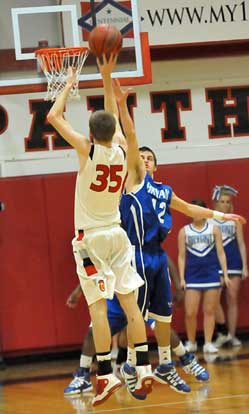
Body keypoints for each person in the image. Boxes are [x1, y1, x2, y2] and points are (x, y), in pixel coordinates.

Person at [113, 78, 245, 391]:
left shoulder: (164, 191)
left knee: (162, 317)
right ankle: (134, 363)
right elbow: (129, 136)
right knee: (137, 315)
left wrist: (219, 214)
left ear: (156, 166)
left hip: (157, 255)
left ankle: (165, 365)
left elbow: (189, 209)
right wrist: (121, 105)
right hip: (136, 254)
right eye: (140, 156)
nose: (143, 159)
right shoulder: (133, 181)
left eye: (149, 158)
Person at [47, 55, 153, 406]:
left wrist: (68, 84)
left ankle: (105, 374)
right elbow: (124, 129)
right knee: (131, 305)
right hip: (118, 236)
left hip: (91, 239)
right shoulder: (124, 151)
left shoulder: (86, 150)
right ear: (114, 133)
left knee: (98, 309)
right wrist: (107, 78)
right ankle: (144, 367)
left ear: (91, 133)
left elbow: (52, 117)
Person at [64, 255, 209, 396]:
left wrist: (177, 286)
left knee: (161, 327)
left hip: (142, 294)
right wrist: (77, 293)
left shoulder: (142, 239)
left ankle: (186, 359)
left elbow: (163, 257)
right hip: (118, 298)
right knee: (93, 332)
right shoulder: (110, 242)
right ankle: (83, 374)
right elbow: (93, 269)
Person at [178, 199, 230, 354]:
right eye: (193, 210)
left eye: (199, 210)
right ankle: (191, 342)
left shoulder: (214, 229)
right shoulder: (184, 231)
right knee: (190, 312)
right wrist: (181, 278)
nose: (196, 214)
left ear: (204, 212)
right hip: (193, 276)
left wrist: (225, 274)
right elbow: (181, 256)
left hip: (211, 274)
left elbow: (221, 252)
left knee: (209, 311)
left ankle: (208, 342)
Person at [210, 185, 248, 348]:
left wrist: (245, 266)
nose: (225, 204)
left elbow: (241, 243)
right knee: (213, 299)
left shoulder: (235, 220)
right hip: (216, 262)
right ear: (215, 203)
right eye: (222, 201)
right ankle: (222, 331)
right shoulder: (209, 219)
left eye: (227, 202)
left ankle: (231, 335)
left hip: (233, 262)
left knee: (232, 298)